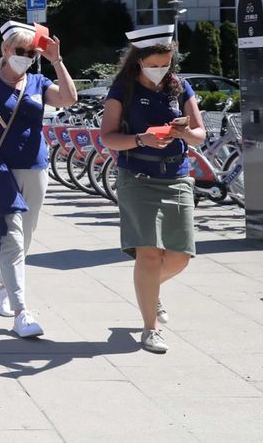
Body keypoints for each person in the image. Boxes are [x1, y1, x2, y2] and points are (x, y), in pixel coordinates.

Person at [0, 21, 78, 339]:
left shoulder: (38, 82)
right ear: (5, 50)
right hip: (1, 172)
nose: (26, 56)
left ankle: (3, 287)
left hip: (36, 169)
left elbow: (68, 99)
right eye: (20, 50)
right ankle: (21, 311)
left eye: (31, 52)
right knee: (10, 240)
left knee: (24, 241)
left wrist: (56, 59)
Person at [99, 25, 205, 354]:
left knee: (180, 256)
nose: (161, 70)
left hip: (176, 176)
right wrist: (141, 139)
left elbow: (200, 134)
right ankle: (151, 328)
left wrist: (183, 133)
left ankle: (150, 293)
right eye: (155, 63)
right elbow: (107, 136)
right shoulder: (123, 89)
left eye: (167, 63)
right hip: (137, 178)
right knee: (148, 252)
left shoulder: (180, 88)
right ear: (139, 61)